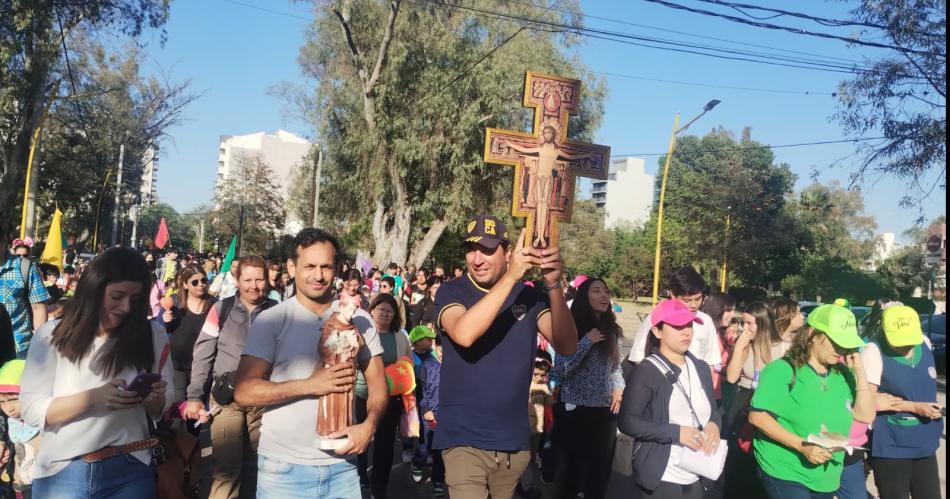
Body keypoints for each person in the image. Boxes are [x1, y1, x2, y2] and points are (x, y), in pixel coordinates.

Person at [233, 228, 387, 498]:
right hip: (283, 471)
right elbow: (244, 392)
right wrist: (309, 385)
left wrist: (369, 425)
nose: (318, 275)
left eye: (326, 266)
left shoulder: (360, 319)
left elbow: (378, 385)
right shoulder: (272, 319)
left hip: (343, 467)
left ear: (337, 268)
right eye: (310, 266)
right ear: (292, 267)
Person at [435, 215, 577, 499]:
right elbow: (463, 333)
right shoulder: (453, 290)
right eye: (471, 249)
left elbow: (567, 345)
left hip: (513, 444)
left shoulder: (528, 296)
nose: (477, 259)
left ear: (508, 252)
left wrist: (553, 285)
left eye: (487, 250)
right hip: (464, 440)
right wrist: (512, 276)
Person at [20, 247, 174, 497]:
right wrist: (92, 398)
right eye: (117, 296)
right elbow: (31, 409)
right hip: (63, 469)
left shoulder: (153, 335)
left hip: (132, 469)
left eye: (134, 300)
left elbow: (163, 403)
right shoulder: (51, 335)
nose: (125, 307)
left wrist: (156, 401)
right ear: (94, 289)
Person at [749, 304, 875, 499]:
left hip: (826, 474)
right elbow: (757, 417)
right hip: (785, 469)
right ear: (813, 334)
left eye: (846, 343)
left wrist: (859, 370)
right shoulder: (782, 370)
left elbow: (865, 415)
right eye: (835, 342)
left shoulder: (843, 374)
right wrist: (801, 446)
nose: (841, 349)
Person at [182, 256, 276, 499]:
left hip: (264, 401)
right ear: (237, 280)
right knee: (226, 470)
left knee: (260, 468)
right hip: (226, 400)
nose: (254, 286)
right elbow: (203, 355)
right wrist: (194, 396)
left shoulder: (278, 313)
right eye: (248, 280)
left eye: (259, 279)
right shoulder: (220, 309)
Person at [618, 299, 722, 499]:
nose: (686, 331)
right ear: (657, 331)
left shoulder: (700, 367)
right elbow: (627, 422)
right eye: (677, 326)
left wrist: (713, 424)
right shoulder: (646, 372)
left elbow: (713, 411)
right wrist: (676, 433)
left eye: (689, 325)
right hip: (663, 473)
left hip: (697, 470)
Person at [550, 278, 624, 499]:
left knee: (599, 471)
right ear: (584, 296)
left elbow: (615, 368)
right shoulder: (572, 327)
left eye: (606, 291)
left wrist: (619, 387)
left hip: (604, 411)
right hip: (575, 410)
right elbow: (562, 369)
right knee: (572, 471)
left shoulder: (613, 331)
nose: (604, 296)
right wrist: (586, 341)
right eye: (597, 291)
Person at [861, 305, 943, 499]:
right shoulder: (873, 351)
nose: (906, 345)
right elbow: (866, 400)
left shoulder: (924, 342)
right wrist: (913, 407)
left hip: (925, 440)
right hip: (892, 444)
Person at [360, 293, 411, 499]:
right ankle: (360, 477)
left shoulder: (399, 336)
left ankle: (379, 488)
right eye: (381, 309)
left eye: (389, 311)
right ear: (372, 310)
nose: (385, 313)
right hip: (361, 394)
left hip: (390, 397)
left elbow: (407, 362)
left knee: (385, 445)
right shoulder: (361, 333)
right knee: (360, 440)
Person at [628, 268, 722, 376]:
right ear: (672, 295)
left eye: (698, 299)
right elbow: (638, 358)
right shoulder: (655, 318)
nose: (694, 305)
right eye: (687, 300)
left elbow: (711, 361)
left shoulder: (706, 321)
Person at [160, 264, 215, 405]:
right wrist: (166, 320)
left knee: (197, 406)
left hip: (202, 367)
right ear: (185, 284)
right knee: (177, 404)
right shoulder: (175, 303)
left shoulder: (215, 305)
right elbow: (164, 329)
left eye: (204, 280)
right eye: (195, 282)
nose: (201, 285)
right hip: (177, 363)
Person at [0, 223, 49, 359]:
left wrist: (40, 346)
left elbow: (39, 308)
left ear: (4, 240)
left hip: (18, 348)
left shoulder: (25, 267)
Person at [408, 325, 445, 496]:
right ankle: (418, 462)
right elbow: (421, 391)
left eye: (432, 339)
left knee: (439, 448)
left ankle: (438, 480)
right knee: (424, 444)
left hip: (443, 412)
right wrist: (426, 409)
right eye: (427, 339)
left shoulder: (438, 362)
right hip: (427, 411)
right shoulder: (419, 361)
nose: (430, 341)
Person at [0, 359, 41, 498]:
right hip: (18, 488)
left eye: (13, 399)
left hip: (42, 487)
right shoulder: (10, 424)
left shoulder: (45, 421)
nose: (9, 408)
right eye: (2, 402)